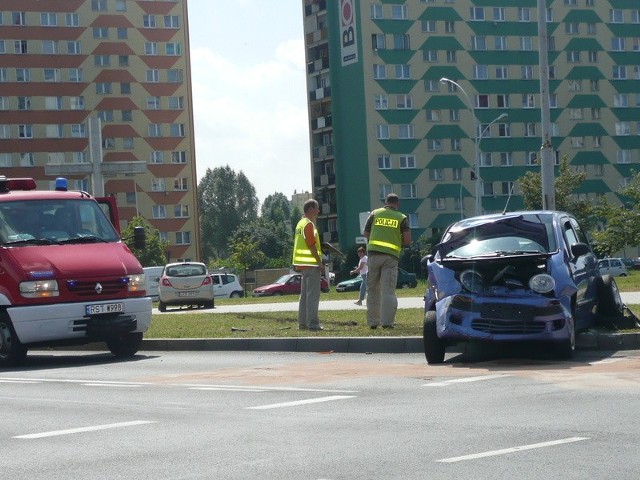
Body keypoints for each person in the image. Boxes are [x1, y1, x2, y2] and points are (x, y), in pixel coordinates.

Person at [363, 193, 411, 329]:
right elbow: (407, 240)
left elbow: (366, 234)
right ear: (397, 204)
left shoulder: (375, 214)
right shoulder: (402, 218)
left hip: (373, 255)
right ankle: (387, 323)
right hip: (390, 257)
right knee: (388, 291)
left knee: (372, 290)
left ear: (386, 202)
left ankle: (373, 322)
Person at [292, 198, 324, 331]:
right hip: (311, 265)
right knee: (312, 295)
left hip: (302, 265)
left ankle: (302, 323)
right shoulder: (309, 224)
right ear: (311, 209)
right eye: (316, 208)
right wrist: (319, 262)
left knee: (304, 296)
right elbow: (311, 245)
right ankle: (313, 324)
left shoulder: (300, 223)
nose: (318, 210)